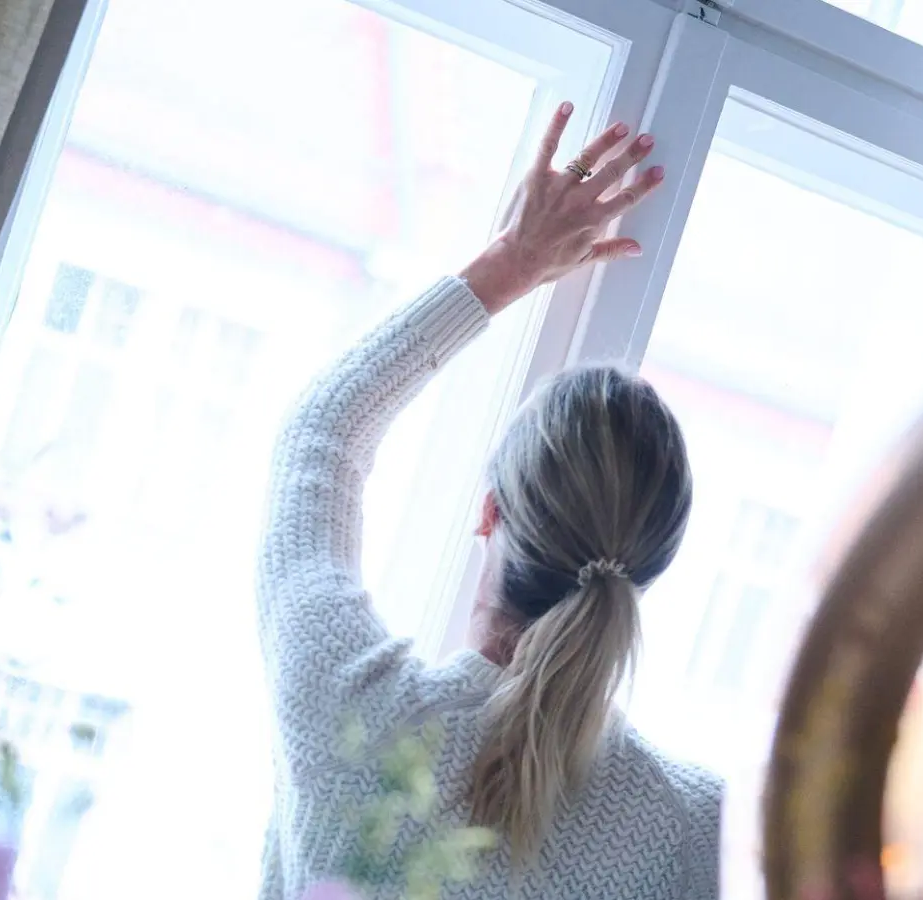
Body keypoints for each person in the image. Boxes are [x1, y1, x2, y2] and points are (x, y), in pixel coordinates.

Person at [257, 103, 722, 899]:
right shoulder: (692, 833)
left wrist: (511, 262)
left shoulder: (352, 711)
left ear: (489, 514)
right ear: (643, 575)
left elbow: (321, 436)